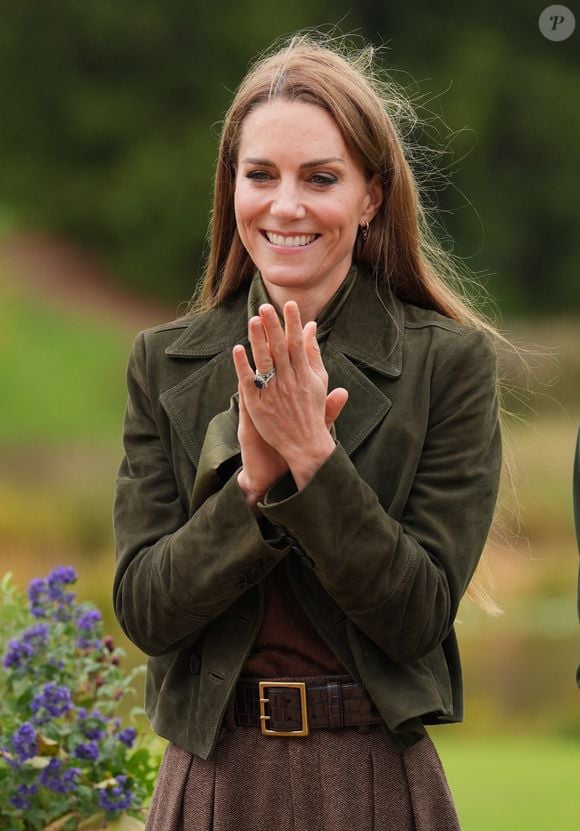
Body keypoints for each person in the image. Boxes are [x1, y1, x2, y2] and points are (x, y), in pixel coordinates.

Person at [113, 33, 503, 831]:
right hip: (210, 779)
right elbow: (146, 610)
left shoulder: (450, 365)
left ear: (369, 196)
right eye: (260, 175)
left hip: (372, 777)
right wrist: (250, 487)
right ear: (232, 190)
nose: (284, 205)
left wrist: (315, 463)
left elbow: (417, 615)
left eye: (320, 178)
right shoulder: (161, 363)